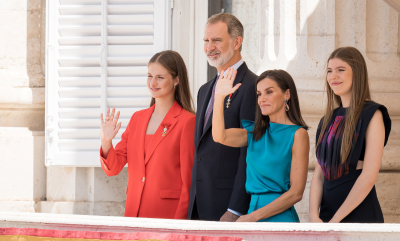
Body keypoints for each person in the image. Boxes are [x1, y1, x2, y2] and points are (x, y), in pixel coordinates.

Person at [99, 50, 196, 219]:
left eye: (160, 77)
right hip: (133, 214)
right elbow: (113, 168)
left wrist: (180, 227)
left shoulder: (187, 122)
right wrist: (107, 141)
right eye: (149, 76)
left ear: (176, 80)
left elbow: (189, 182)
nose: (153, 82)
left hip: (167, 217)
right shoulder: (137, 119)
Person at [212, 68, 309, 222]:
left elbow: (296, 193)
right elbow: (219, 136)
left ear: (287, 94)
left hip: (279, 219)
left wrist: (252, 217)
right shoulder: (253, 133)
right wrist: (219, 97)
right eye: (259, 94)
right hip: (251, 214)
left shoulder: (297, 134)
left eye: (269, 92)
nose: (262, 99)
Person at [309, 47, 391, 223]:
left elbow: (369, 176)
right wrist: (313, 216)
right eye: (330, 71)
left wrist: (336, 221)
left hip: (359, 216)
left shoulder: (373, 114)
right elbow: (318, 175)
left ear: (357, 73)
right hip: (326, 217)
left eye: (341, 70)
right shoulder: (327, 119)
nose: (333, 76)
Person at [188, 13, 258, 221]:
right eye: (206, 41)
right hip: (198, 204)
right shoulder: (204, 90)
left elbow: (249, 153)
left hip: (228, 207)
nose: (210, 47)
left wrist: (236, 209)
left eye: (217, 40)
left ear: (237, 42)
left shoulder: (253, 87)